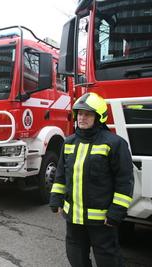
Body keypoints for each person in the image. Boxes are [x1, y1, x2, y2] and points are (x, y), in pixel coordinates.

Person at [49, 92, 134, 267]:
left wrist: (116, 212)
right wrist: (56, 198)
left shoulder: (115, 143)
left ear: (99, 117)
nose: (82, 117)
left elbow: (124, 181)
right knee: (76, 258)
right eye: (79, 113)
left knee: (107, 259)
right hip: (74, 218)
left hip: (102, 220)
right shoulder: (69, 142)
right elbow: (61, 174)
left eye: (88, 114)